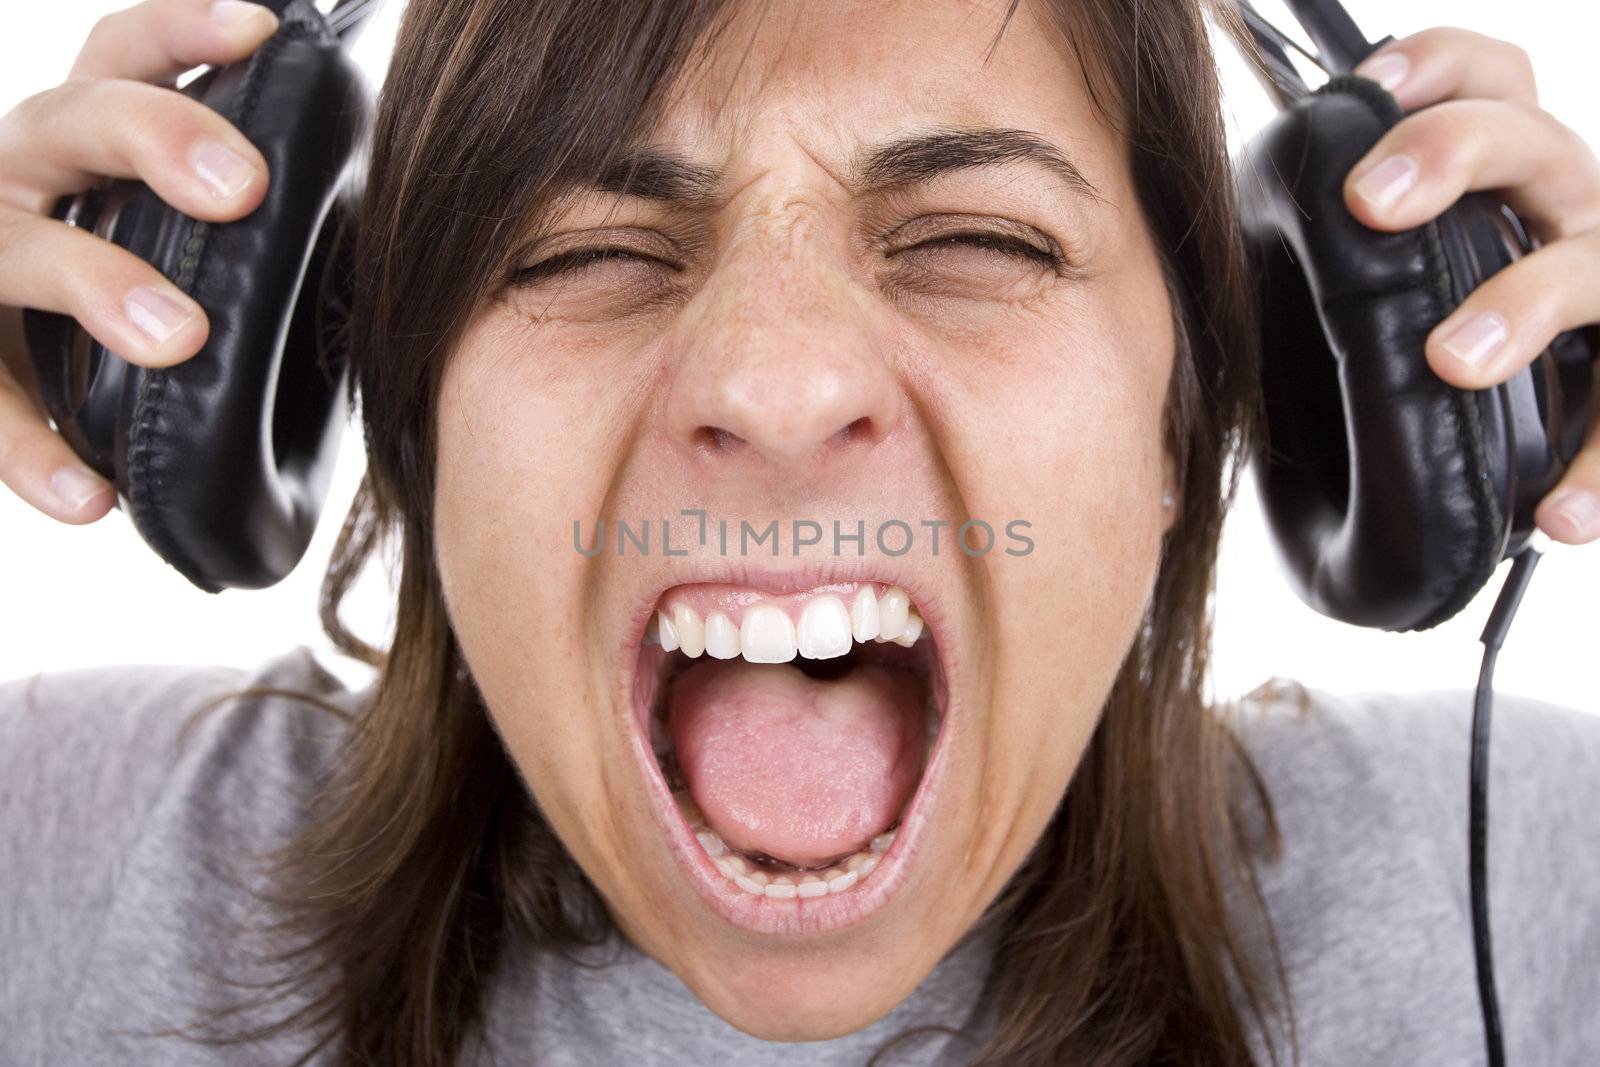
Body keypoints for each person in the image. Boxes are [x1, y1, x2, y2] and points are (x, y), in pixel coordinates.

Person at [1, 0, 1597, 1064]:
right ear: (409, 428)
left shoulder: (1531, 884)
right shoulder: (61, 855)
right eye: (583, 253)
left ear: (1193, 424)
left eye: (976, 237)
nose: (776, 384)